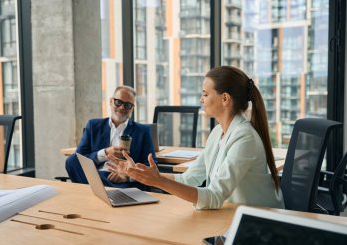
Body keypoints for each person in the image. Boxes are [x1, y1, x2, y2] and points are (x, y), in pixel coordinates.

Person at [108, 66, 284, 209]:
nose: (201, 99)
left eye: (206, 94)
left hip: (257, 224)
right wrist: (140, 175)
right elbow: (188, 179)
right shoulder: (217, 133)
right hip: (231, 215)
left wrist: (158, 181)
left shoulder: (245, 138)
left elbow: (214, 196)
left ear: (224, 99)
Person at [65, 86, 156, 190]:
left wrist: (128, 176)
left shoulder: (143, 131)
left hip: (123, 182)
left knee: (98, 185)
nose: (122, 107)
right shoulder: (93, 125)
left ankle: (100, 190)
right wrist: (104, 153)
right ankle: (102, 190)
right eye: (118, 102)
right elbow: (80, 158)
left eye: (128, 105)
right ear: (111, 101)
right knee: (72, 160)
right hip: (97, 175)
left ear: (132, 108)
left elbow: (150, 167)